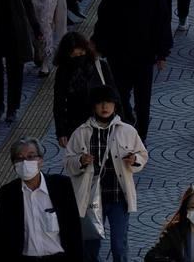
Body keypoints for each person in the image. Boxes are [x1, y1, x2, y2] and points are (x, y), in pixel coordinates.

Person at [91, 0, 173, 142]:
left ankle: (141, 136)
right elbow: (103, 22)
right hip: (117, 56)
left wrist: (162, 54)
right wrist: (97, 45)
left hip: (144, 57)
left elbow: (162, 26)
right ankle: (126, 125)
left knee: (143, 100)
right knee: (119, 95)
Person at [65, 85, 148, 262]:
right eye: (100, 103)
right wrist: (80, 161)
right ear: (93, 106)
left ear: (115, 105)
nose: (105, 107)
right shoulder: (81, 133)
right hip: (92, 199)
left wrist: (135, 160)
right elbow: (67, 162)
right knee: (91, 245)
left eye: (108, 103)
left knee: (119, 245)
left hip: (119, 198)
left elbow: (143, 155)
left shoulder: (127, 131)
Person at [0, 137, 82, 262]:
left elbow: (74, 229)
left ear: (41, 160)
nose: (25, 162)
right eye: (19, 158)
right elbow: (0, 235)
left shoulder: (62, 186)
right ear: (14, 164)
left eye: (30, 156)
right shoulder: (8, 193)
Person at [53, 31, 120, 148]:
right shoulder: (63, 72)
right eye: (75, 55)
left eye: (82, 53)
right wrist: (61, 131)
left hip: (103, 123)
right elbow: (59, 102)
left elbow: (114, 95)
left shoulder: (100, 66)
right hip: (76, 126)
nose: (79, 58)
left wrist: (121, 124)